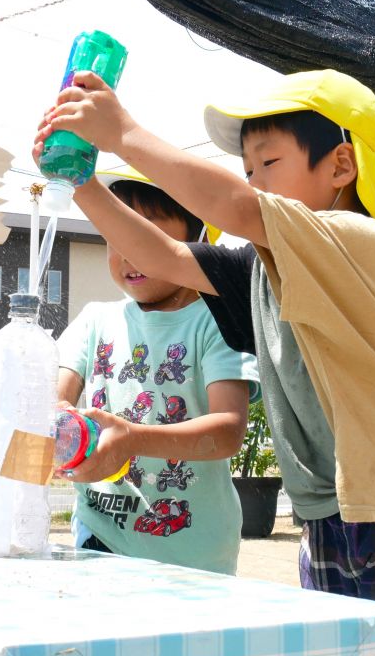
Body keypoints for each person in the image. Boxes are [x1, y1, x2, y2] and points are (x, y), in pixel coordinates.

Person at [35, 68, 375, 603]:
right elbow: (162, 257)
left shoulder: (359, 241)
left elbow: (236, 208)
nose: (254, 181)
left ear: (340, 165)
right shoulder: (263, 268)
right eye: (246, 169)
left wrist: (121, 131)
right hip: (323, 512)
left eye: (268, 163)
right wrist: (81, 180)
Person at [55, 170, 259, 576]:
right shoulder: (95, 320)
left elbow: (228, 430)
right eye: (116, 237)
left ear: (195, 243)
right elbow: (51, 400)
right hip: (99, 536)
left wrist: (133, 439)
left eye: (144, 237)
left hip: (190, 554)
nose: (129, 254)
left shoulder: (217, 321)